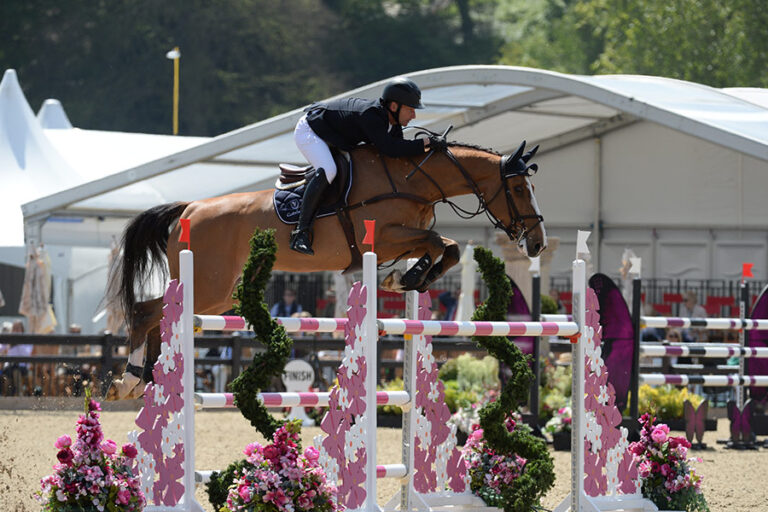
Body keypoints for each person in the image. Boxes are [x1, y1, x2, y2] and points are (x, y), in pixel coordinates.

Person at [290, 77, 444, 255]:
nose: (414, 115)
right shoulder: (371, 115)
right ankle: (300, 233)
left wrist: (431, 146)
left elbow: (400, 153)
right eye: (410, 110)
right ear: (394, 107)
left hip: (333, 135)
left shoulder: (392, 124)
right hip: (311, 130)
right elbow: (390, 149)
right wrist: (425, 143)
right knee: (329, 170)